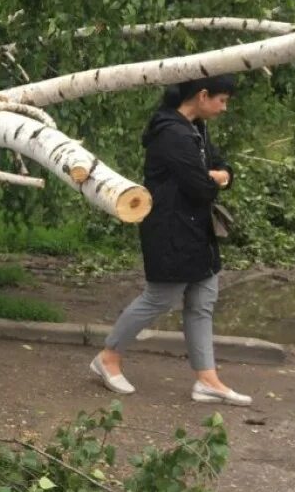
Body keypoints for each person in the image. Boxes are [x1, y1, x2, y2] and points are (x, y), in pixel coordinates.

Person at [90, 74, 251, 406]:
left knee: (202, 302)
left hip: (197, 230)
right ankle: (108, 357)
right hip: (170, 230)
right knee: (160, 299)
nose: (224, 108)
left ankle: (207, 380)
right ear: (203, 95)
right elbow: (201, 186)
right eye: (222, 100)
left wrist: (219, 175)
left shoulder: (195, 127)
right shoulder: (172, 133)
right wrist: (215, 178)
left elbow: (223, 169)